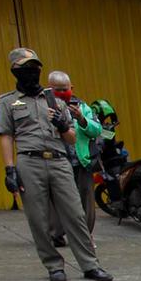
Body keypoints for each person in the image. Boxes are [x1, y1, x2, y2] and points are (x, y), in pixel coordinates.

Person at [0, 48, 112, 281]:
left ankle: (90, 265)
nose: (34, 72)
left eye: (36, 68)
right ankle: (53, 265)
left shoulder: (55, 100)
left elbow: (70, 137)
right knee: (38, 218)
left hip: (59, 161)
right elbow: (6, 136)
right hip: (29, 162)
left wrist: (62, 125)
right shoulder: (8, 102)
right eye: (27, 69)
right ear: (15, 71)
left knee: (75, 214)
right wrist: (10, 169)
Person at [45, 71, 101, 246]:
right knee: (56, 200)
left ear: (72, 88)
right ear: (49, 89)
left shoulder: (83, 107)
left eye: (65, 89)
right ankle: (56, 234)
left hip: (81, 160)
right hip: (56, 161)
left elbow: (97, 130)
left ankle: (86, 235)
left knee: (85, 199)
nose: (62, 93)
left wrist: (81, 119)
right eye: (57, 90)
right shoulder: (44, 108)